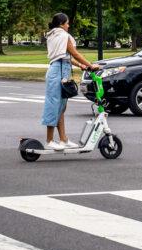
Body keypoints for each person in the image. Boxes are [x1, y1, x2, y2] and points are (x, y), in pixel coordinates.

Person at [42, 13, 99, 150]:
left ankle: (63, 139)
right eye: (67, 23)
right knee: (54, 105)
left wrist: (81, 66)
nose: (68, 25)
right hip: (57, 72)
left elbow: (65, 56)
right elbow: (74, 53)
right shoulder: (63, 36)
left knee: (61, 107)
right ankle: (49, 140)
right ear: (61, 24)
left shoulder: (54, 35)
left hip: (60, 70)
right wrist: (90, 65)